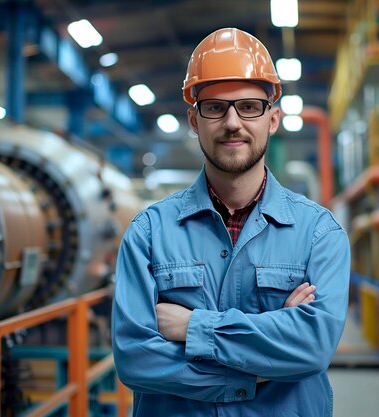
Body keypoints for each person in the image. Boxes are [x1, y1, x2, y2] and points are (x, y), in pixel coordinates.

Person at [112, 27, 350, 417]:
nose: (233, 122)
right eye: (215, 107)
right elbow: (136, 358)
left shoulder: (318, 233)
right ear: (194, 120)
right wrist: (253, 371)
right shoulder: (149, 233)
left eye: (249, 107)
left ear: (272, 119)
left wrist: (192, 328)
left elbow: (312, 348)